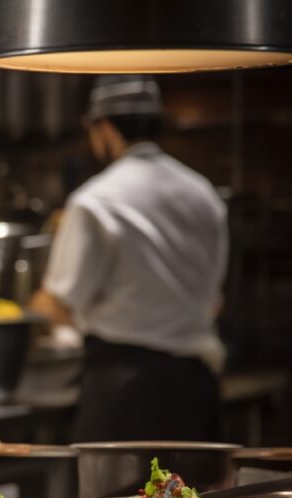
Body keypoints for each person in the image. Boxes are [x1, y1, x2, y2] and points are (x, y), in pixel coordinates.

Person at [29, 75, 228, 443]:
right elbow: (215, 301)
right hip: (199, 387)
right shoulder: (204, 194)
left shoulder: (96, 200)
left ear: (104, 129)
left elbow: (59, 302)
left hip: (126, 393)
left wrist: (28, 313)